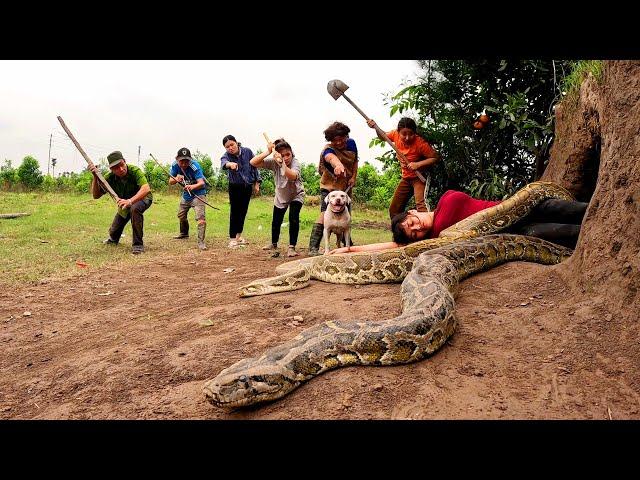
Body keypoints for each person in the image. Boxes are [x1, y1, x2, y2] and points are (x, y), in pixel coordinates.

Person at [329, 189, 588, 254]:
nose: (417, 229)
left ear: (412, 213)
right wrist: (350, 249)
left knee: (557, 208)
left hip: (521, 208)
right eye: (414, 235)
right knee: (558, 232)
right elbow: (394, 247)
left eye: (411, 224)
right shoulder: (438, 237)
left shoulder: (447, 199)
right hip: (519, 231)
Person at [367, 117, 439, 219]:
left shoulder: (420, 143)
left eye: (411, 134)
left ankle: (430, 232)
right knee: (394, 209)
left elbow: (434, 157)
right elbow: (383, 136)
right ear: (398, 132)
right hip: (406, 178)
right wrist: (375, 127)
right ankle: (400, 232)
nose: (407, 137)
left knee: (421, 205)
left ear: (415, 133)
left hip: (420, 177)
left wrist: (417, 164)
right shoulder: (394, 134)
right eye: (404, 134)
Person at [308, 121, 359, 256]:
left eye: (341, 139)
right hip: (329, 186)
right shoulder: (328, 149)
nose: (338, 142)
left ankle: (347, 244)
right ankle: (313, 247)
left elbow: (355, 162)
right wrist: (337, 165)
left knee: (345, 214)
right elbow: (331, 158)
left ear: (346, 136)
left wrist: (353, 176)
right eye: (334, 140)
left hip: (345, 187)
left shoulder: (352, 144)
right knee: (325, 213)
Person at [89, 150, 153, 255]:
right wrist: (95, 177)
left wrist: (130, 201)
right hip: (125, 203)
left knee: (135, 209)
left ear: (124, 161)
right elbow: (96, 195)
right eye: (116, 168)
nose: (121, 169)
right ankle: (113, 239)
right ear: (111, 169)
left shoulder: (135, 171)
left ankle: (138, 245)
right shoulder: (109, 178)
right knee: (113, 231)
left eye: (122, 165)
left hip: (143, 198)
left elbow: (146, 189)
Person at [250, 138, 305, 257]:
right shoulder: (274, 162)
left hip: (296, 194)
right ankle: (273, 243)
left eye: (288, 154)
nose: (286, 157)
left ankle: (291, 247)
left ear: (292, 153)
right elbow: (253, 163)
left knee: (293, 218)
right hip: (281, 195)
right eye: (283, 155)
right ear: (277, 154)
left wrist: (282, 163)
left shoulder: (295, 162)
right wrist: (268, 152)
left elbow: (291, 175)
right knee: (276, 221)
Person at [220, 135, 262, 248]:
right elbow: (223, 163)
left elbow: (255, 166)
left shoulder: (247, 152)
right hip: (234, 186)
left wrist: (257, 182)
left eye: (232, 144)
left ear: (236, 143)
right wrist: (230, 164)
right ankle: (232, 238)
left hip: (247, 186)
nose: (230, 148)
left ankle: (239, 236)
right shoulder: (227, 156)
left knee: (243, 211)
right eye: (227, 146)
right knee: (235, 211)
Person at [169, 147, 209, 250]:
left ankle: (201, 242)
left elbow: (201, 183)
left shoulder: (195, 166)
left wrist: (192, 187)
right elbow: (170, 181)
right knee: (181, 215)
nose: (183, 164)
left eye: (186, 161)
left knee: (200, 218)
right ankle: (184, 233)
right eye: (181, 161)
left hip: (199, 194)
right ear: (177, 159)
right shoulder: (174, 165)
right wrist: (176, 179)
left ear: (190, 160)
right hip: (186, 195)